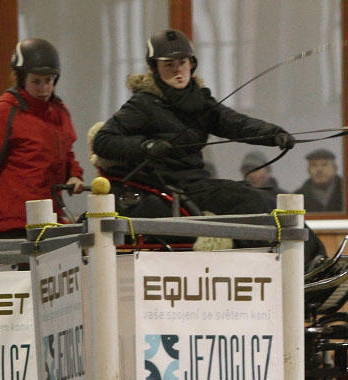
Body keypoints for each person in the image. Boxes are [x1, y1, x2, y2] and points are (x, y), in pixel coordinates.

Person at [92, 29, 325, 263]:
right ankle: (276, 267)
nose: (177, 70)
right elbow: (103, 141)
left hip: (196, 184)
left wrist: (274, 134)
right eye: (168, 64)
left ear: (191, 64)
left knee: (271, 199)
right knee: (250, 201)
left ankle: (316, 261)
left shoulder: (199, 102)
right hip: (169, 186)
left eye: (182, 62)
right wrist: (147, 145)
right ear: (155, 68)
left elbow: (235, 123)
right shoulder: (142, 104)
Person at [0, 38, 84, 239]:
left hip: (50, 221)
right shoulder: (5, 112)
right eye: (36, 81)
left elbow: (66, 154)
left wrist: (74, 174)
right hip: (13, 225)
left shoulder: (59, 111)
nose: (44, 88)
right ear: (21, 79)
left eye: (48, 81)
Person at [295, 148, 345, 212]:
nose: (319, 170)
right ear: (308, 170)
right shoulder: (298, 197)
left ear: (335, 168)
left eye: (324, 165)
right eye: (314, 165)